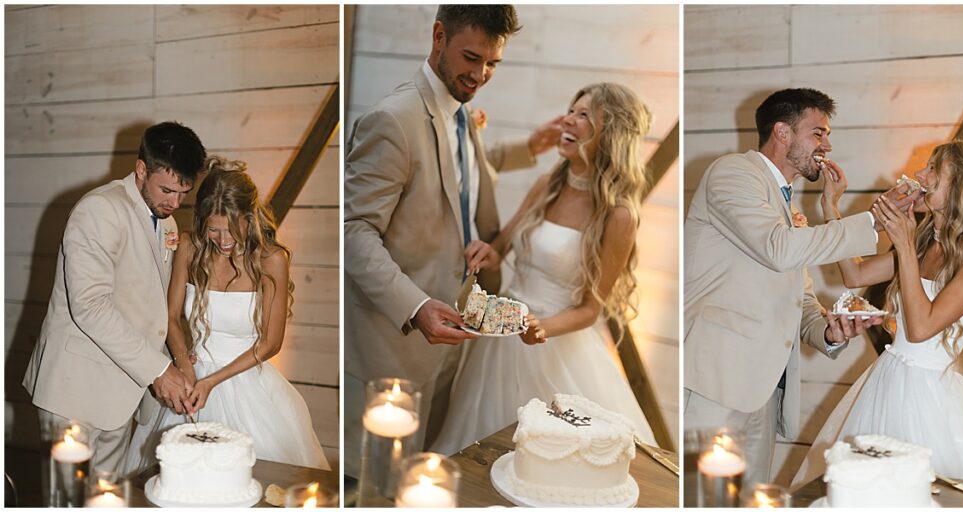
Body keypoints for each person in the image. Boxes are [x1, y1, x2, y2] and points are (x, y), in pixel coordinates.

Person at [343, 5, 563, 476]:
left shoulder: (460, 114)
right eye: (471, 58)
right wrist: (416, 306)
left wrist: (531, 148)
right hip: (394, 346)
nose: (481, 74)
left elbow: (461, 174)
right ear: (438, 36)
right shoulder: (392, 120)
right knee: (378, 488)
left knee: (421, 479)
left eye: (492, 64)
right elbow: (353, 232)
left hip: (452, 335)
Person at [682, 88, 921, 485]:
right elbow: (778, 250)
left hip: (764, 389)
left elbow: (800, 295)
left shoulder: (788, 204)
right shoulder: (733, 173)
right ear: (782, 132)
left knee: (748, 500)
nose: (827, 145)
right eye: (818, 133)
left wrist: (828, 330)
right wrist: (874, 221)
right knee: (704, 497)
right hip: (716, 380)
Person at [430, 83, 658, 454]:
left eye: (584, 114)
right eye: (572, 109)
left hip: (555, 345)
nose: (568, 118)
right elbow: (503, 245)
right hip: (501, 339)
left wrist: (541, 328)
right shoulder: (545, 185)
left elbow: (590, 309)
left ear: (611, 132)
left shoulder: (618, 215)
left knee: (552, 458)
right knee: (480, 451)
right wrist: (484, 251)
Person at [791, 140, 963, 488]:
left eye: (932, 170)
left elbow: (921, 328)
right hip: (886, 380)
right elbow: (855, 276)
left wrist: (905, 243)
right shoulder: (928, 243)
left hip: (929, 400)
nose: (918, 175)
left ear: (960, 186)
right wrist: (830, 206)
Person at [22, 122, 205, 482]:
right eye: (167, 190)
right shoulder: (99, 210)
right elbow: (90, 306)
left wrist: (175, 364)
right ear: (141, 169)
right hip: (74, 393)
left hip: (121, 395)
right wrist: (158, 370)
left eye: (183, 193)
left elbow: (147, 307)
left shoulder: (166, 225)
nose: (174, 203)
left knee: (104, 499)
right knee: (68, 503)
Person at [124, 157, 330, 472]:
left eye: (233, 230)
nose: (223, 241)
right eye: (214, 231)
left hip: (249, 383)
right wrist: (183, 363)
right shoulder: (189, 248)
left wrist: (211, 382)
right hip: (191, 382)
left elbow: (271, 343)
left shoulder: (270, 259)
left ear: (250, 218)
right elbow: (171, 317)